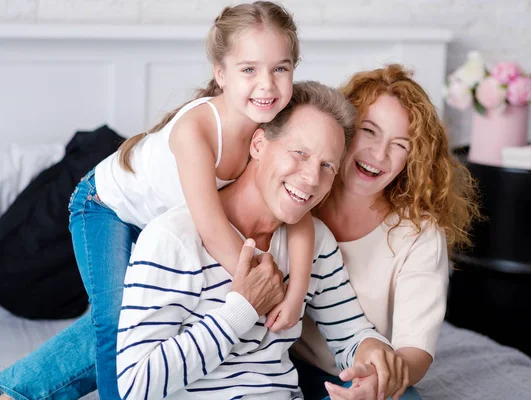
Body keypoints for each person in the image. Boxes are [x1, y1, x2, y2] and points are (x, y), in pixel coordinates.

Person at [0, 2, 314, 399]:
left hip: (162, 222)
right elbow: (214, 230)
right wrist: (259, 285)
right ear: (221, 74)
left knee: (152, 310)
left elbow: (297, 212)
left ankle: (16, 389)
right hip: (105, 208)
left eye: (280, 68)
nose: (267, 85)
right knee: (115, 323)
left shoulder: (282, 121)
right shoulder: (197, 131)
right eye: (249, 69)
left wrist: (295, 291)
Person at [116, 81, 411, 399]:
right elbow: (136, 386)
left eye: (327, 166)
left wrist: (372, 360)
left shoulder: (316, 241)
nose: (312, 179)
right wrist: (239, 311)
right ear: (258, 144)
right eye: (299, 153)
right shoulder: (173, 238)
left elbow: (350, 334)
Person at [291, 64, 480, 399]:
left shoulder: (418, 233)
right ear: (344, 127)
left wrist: (380, 377)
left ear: (413, 159)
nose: (379, 155)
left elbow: (414, 350)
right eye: (370, 131)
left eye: (400, 145)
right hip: (281, 364)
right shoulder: (297, 193)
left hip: (359, 374)